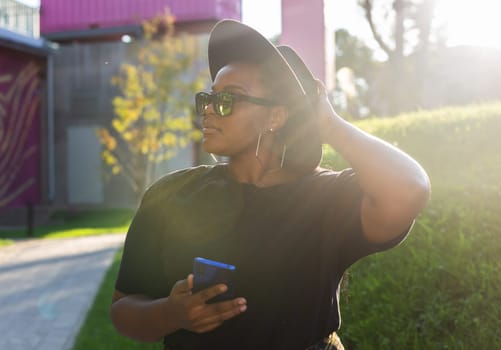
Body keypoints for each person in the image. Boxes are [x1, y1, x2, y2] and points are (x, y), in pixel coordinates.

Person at [110, 20, 431, 350]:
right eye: (208, 98)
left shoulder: (325, 198)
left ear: (276, 117)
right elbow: (122, 309)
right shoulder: (170, 196)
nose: (208, 111)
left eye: (227, 100)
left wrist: (328, 123)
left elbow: (410, 189)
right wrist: (171, 314)